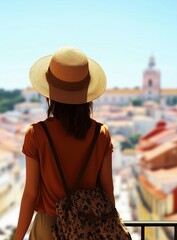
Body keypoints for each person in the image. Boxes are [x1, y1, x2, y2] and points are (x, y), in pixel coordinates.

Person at [14, 46, 115, 240]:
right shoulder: (101, 133)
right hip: (89, 227)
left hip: (48, 227)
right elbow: (108, 190)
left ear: (49, 94)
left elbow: (31, 193)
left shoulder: (36, 134)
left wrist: (17, 237)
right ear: (86, 94)